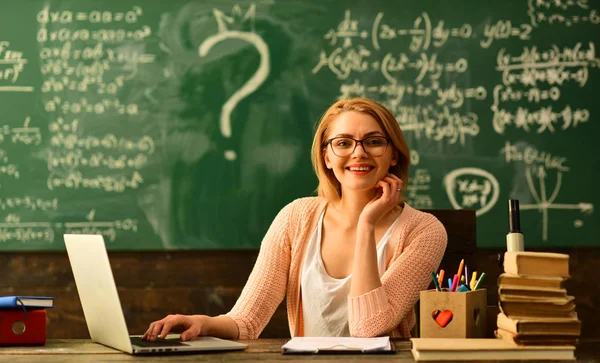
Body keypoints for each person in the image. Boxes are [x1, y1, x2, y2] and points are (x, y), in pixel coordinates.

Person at [142, 97, 447, 341]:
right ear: (326, 157)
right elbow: (247, 321)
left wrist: (367, 224)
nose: (359, 153)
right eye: (343, 143)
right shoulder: (296, 217)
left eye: (374, 141)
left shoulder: (425, 231)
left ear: (393, 154)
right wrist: (202, 323)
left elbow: (368, 329)